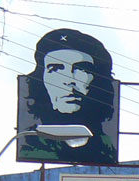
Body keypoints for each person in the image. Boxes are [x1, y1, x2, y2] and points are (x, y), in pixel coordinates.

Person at [18, 28, 118, 164]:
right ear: (40, 80)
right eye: (56, 69)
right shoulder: (28, 142)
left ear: (99, 82)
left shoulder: (107, 148)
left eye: (81, 69)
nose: (69, 80)